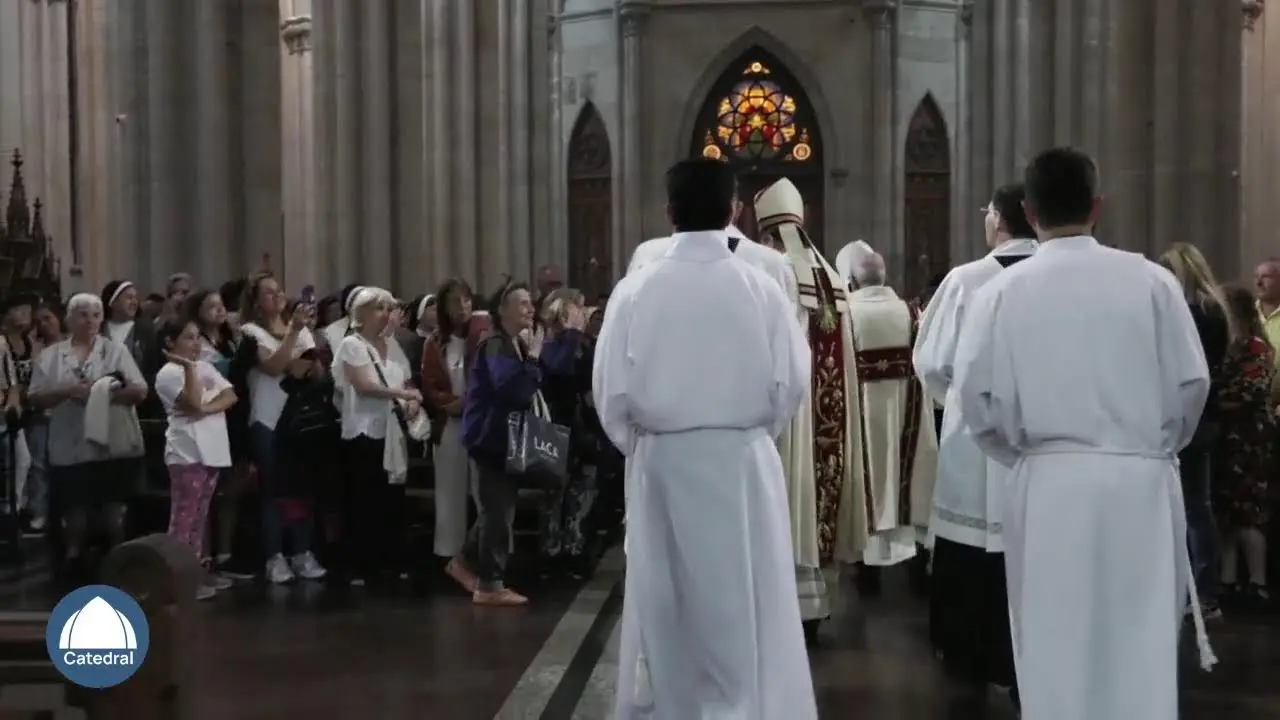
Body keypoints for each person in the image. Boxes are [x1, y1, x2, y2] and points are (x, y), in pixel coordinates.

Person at [952, 147, 1216, 720]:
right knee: (1138, 639)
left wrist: (1026, 457)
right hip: (1141, 486)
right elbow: (1192, 386)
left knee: (1054, 638)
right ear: (1098, 206)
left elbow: (977, 402)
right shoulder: (1153, 283)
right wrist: (1152, 445)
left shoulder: (1001, 292)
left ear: (1029, 209)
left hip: (1047, 487)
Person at [595, 159, 816, 718]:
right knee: (746, 603)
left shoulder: (635, 289)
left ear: (668, 213)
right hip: (742, 461)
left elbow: (610, 395)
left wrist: (647, 444)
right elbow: (791, 382)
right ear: (733, 210)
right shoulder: (762, 287)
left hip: (663, 463)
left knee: (670, 608)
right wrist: (749, 434)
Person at [913, 182, 1037, 704]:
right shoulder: (1056, 276)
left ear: (1000, 220)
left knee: (971, 550)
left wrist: (961, 402)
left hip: (975, 440)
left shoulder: (968, 280)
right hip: (1042, 441)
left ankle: (970, 654)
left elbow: (932, 361)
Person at [753, 177, 864, 641]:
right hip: (827, 418)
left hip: (790, 418)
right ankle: (814, 604)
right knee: (814, 496)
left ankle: (779, 603)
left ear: (767, 232)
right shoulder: (832, 278)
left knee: (787, 499)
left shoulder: (774, 272)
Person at [842, 244, 937, 568]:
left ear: (852, 281)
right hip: (905, 421)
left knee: (866, 480)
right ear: (884, 279)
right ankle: (914, 563)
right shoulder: (910, 313)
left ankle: (864, 568)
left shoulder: (846, 314)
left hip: (862, 420)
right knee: (904, 483)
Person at [154, 318, 238, 600]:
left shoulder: (205, 367)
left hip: (212, 448)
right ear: (171, 342)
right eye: (189, 338)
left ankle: (196, 572)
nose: (196, 343)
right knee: (184, 517)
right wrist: (190, 371)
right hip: (187, 450)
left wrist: (207, 407)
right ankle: (176, 578)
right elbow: (190, 402)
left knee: (200, 517)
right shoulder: (168, 373)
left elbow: (230, 395)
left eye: (197, 337)